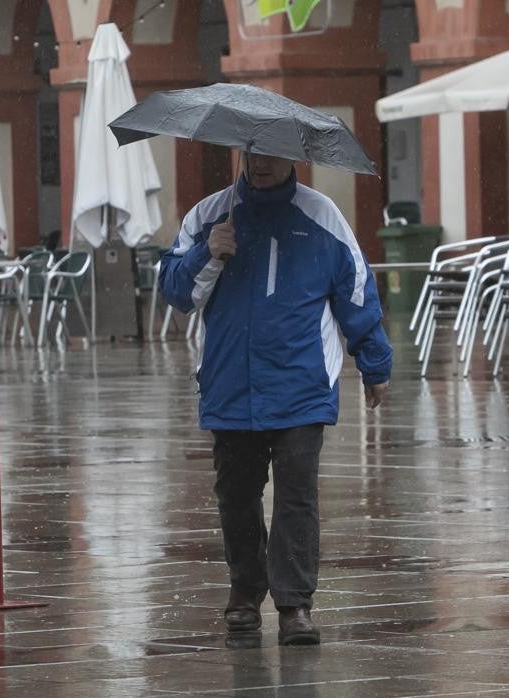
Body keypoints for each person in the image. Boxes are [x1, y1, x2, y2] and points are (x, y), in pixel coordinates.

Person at [159, 152, 392, 645]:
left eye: (272, 154)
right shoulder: (208, 216)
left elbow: (355, 291)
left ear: (293, 157)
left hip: (302, 383)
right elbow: (176, 292)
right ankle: (244, 595)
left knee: (296, 495)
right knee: (236, 496)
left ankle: (294, 607)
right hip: (230, 382)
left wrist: (375, 363)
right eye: (252, 153)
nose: (261, 163)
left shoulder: (322, 215)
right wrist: (208, 252)